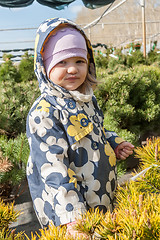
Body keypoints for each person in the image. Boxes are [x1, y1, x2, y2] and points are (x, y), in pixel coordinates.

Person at [26, 17, 134, 237]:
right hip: (70, 209)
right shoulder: (44, 112)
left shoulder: (85, 100)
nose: (72, 69)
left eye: (79, 61)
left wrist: (113, 141)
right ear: (44, 66)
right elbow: (53, 169)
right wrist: (72, 217)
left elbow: (96, 130)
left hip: (99, 194)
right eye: (62, 62)